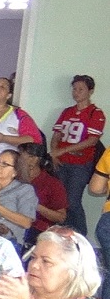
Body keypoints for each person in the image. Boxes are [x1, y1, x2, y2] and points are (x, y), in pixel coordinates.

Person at [49, 75, 103, 235]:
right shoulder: (67, 112)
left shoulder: (95, 113)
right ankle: (63, 235)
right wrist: (54, 153)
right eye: (74, 89)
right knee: (59, 202)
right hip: (60, 162)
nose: (76, 92)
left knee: (72, 201)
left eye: (81, 89)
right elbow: (57, 135)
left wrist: (63, 150)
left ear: (90, 91)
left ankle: (80, 235)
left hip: (80, 164)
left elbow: (92, 140)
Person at [0, 148, 38, 246]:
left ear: (15, 172)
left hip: (6, 240)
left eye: (4, 164)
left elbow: (26, 223)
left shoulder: (24, 190)